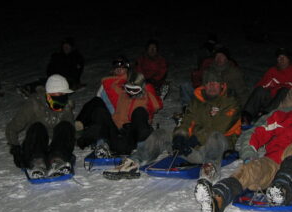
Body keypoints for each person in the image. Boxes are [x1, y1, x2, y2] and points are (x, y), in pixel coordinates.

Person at [194, 76, 292, 212]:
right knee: (253, 166)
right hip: (275, 164)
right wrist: (249, 155)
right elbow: (255, 132)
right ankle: (218, 197)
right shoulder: (281, 115)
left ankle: (282, 189)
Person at [103, 68, 241, 181]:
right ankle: (133, 163)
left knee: (216, 136)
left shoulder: (230, 102)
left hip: (216, 148)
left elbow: (220, 126)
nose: (212, 85)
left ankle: (209, 172)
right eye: (209, 82)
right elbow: (187, 120)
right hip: (192, 149)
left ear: (222, 84)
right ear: (204, 84)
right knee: (161, 133)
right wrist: (180, 137)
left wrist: (194, 139)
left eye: (215, 82)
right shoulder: (197, 101)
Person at [75, 69, 163, 158]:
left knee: (139, 111)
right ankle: (102, 145)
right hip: (116, 136)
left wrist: (147, 85)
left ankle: (143, 147)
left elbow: (158, 105)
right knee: (100, 112)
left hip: (133, 138)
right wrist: (126, 76)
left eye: (135, 90)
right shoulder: (122, 95)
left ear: (142, 88)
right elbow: (107, 82)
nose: (131, 92)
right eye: (129, 89)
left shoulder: (147, 99)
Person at [6, 74, 76, 178]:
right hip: (36, 144)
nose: (62, 98)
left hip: (56, 146)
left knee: (66, 125)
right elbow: (12, 128)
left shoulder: (65, 106)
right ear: (49, 94)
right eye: (59, 95)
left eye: (64, 94)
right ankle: (38, 163)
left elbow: (68, 132)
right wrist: (15, 149)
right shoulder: (34, 103)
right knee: (37, 127)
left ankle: (57, 161)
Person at [242, 47, 292, 126]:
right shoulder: (273, 71)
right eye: (279, 57)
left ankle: (265, 117)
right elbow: (260, 86)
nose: (281, 59)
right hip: (271, 101)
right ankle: (246, 116)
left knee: (284, 90)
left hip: (286, 105)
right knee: (260, 90)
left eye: (284, 57)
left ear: (289, 59)